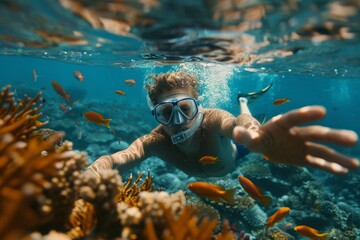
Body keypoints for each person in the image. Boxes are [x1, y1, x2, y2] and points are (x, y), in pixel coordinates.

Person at [84, 72, 359, 178]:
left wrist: (258, 136)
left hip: (239, 152)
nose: (178, 121)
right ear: (155, 115)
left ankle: (242, 99)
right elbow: (116, 160)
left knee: (247, 134)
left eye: (186, 109)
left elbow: (238, 125)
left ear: (199, 108)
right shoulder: (155, 142)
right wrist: (90, 174)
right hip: (222, 162)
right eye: (166, 113)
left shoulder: (213, 119)